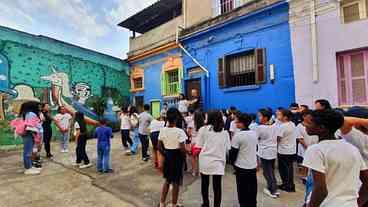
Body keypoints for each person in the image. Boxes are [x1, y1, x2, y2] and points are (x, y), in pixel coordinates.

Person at [303, 109, 368, 207]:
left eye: (309, 123)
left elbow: (321, 190)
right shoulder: (352, 148)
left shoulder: (316, 150)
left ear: (321, 128)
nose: (305, 125)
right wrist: (358, 203)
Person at [197, 110, 231, 207]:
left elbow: (199, 145)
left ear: (210, 118)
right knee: (217, 187)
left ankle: (206, 204)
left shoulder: (203, 130)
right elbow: (228, 149)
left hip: (205, 161)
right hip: (219, 162)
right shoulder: (225, 133)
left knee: (204, 184)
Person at [157, 108, 187, 207]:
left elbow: (159, 146)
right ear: (176, 118)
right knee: (176, 182)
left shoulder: (162, 130)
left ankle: (162, 203)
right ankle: (174, 204)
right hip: (177, 158)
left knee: (167, 180)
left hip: (168, 157)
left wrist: (165, 153)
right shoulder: (180, 131)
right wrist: (184, 157)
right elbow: (182, 149)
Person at [229, 113, 258, 207]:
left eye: (237, 121)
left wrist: (232, 164)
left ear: (242, 123)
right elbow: (255, 148)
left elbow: (233, 153)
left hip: (241, 166)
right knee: (252, 187)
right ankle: (253, 204)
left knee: (242, 188)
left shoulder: (238, 136)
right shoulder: (254, 133)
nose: (235, 123)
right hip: (252, 165)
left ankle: (243, 204)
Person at [254, 109, 279, 198]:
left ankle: (273, 190)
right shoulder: (275, 126)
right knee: (271, 170)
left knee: (267, 172)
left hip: (265, 152)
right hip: (273, 151)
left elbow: (255, 139)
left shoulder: (259, 128)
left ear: (265, 117)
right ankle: (273, 188)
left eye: (260, 116)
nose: (258, 117)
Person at [14, 101, 42, 175]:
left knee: (28, 151)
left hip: (27, 134)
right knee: (28, 152)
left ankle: (29, 166)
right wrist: (35, 136)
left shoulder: (26, 114)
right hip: (29, 134)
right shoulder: (31, 114)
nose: (39, 107)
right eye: (38, 106)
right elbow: (30, 126)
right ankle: (28, 168)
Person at [276, 109, 297, 192]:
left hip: (283, 151)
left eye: (279, 114)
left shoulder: (282, 126)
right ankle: (290, 185)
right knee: (289, 169)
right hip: (291, 150)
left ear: (285, 117)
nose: (277, 116)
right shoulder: (292, 124)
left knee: (283, 169)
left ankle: (286, 186)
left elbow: (278, 138)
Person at [296, 110, 319, 180]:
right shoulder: (299, 126)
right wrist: (307, 147)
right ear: (304, 117)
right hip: (305, 147)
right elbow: (299, 138)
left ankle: (312, 176)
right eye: (309, 116)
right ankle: (305, 177)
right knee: (305, 163)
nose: (311, 118)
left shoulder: (315, 124)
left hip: (315, 147)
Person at [190, 111, 205, 176]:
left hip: (193, 141)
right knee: (200, 157)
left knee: (193, 157)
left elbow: (189, 133)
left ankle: (194, 171)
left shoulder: (191, 123)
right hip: (201, 141)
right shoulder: (203, 124)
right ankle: (199, 172)